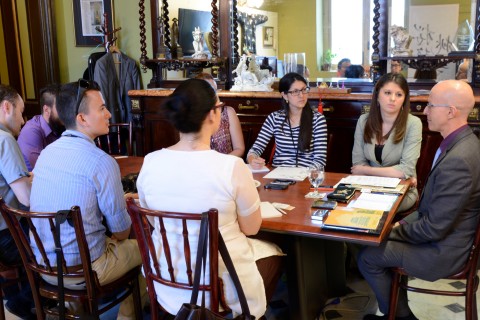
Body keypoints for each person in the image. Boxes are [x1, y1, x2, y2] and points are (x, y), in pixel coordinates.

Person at [136, 78, 283, 318]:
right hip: (218, 286)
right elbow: (251, 227)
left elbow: (154, 222)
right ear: (212, 115)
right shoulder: (232, 167)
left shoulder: (150, 162)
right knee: (275, 254)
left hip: (167, 281)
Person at [358, 80, 480, 320]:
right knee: (368, 243)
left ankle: (401, 316)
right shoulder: (462, 142)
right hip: (446, 239)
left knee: (367, 256)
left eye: (430, 105)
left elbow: (434, 228)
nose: (424, 111)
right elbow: (428, 209)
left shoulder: (460, 160)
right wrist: (397, 226)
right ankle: (395, 311)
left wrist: (388, 230)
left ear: (450, 111)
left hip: (444, 252)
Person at [30, 80, 145, 319]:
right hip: (86, 271)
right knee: (150, 248)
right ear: (82, 118)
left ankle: (76, 310)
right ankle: (126, 316)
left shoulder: (47, 154)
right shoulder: (101, 161)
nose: (109, 113)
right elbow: (122, 232)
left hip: (44, 266)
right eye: (102, 108)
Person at [352, 73, 421, 212]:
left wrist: (367, 170)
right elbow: (358, 163)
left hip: (401, 192)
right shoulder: (363, 121)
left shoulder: (413, 123)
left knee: (371, 208)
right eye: (387, 93)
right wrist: (395, 172)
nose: (393, 99)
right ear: (377, 95)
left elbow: (406, 169)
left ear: (404, 99)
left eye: (399, 94)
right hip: (368, 189)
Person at [0, 84, 36, 319]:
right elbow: (27, 199)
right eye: (21, 112)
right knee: (64, 245)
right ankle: (23, 301)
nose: (24, 121)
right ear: (6, 107)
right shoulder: (5, 140)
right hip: (7, 237)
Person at [247, 72, 327, 169]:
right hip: (278, 175)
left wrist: (301, 175)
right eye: (295, 92)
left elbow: (320, 159)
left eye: (304, 90)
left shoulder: (318, 119)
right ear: (284, 95)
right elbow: (256, 149)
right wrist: (252, 159)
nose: (301, 95)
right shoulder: (274, 118)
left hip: (306, 176)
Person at [195, 73, 245, 157]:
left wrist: (222, 163)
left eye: (214, 90)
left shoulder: (228, 112)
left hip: (226, 165)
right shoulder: (192, 116)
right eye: (208, 91)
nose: (213, 95)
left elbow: (239, 149)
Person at [17, 84, 65, 171]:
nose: (66, 112)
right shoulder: (31, 131)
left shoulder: (61, 124)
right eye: (61, 108)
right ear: (46, 110)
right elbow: (39, 171)